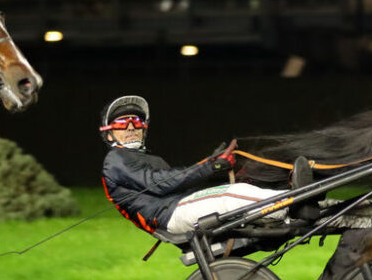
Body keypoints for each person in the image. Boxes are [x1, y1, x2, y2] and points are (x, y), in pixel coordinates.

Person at [99, 95, 310, 235]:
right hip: (170, 214)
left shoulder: (146, 159)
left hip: (178, 206)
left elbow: (179, 181)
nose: (130, 127)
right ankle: (295, 203)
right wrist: (211, 166)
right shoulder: (115, 160)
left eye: (136, 122)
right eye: (121, 123)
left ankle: (294, 199)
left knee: (238, 188)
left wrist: (216, 166)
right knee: (231, 195)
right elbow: (160, 184)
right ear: (108, 133)